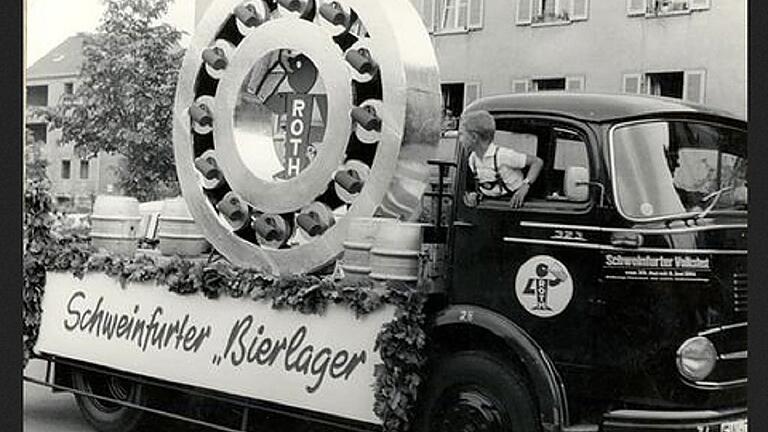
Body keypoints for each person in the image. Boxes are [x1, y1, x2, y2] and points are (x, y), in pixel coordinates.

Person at [459, 110, 543, 208]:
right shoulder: (472, 160)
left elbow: (537, 162)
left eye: (462, 134)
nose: (460, 139)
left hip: (515, 200)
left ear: (474, 137)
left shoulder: (503, 155)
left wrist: (525, 185)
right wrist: (475, 195)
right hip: (493, 204)